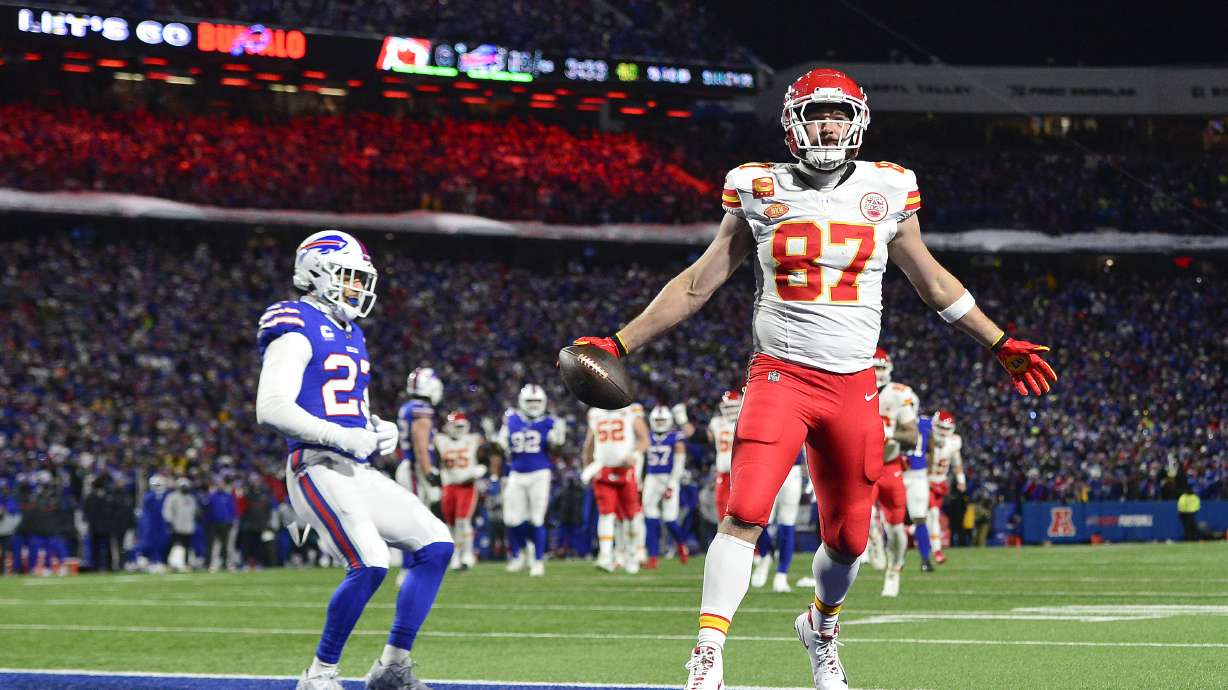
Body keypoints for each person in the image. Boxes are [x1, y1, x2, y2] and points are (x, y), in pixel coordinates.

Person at [571, 67, 1058, 690]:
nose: (826, 123)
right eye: (814, 112)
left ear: (856, 122)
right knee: (744, 509)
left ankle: (821, 627)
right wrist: (617, 341)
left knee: (851, 540)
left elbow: (932, 281)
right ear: (792, 123)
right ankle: (707, 652)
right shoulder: (756, 187)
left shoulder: (890, 188)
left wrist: (998, 339)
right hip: (780, 375)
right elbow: (699, 282)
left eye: (837, 113)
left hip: (853, 385)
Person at [256, 230, 453, 690]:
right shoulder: (295, 321)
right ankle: (320, 674)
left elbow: (346, 407)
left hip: (352, 466)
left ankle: (392, 667)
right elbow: (272, 406)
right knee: (370, 561)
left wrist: (377, 427)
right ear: (315, 272)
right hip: (314, 465)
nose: (357, 288)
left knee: (436, 544)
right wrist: (344, 437)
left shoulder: (352, 332)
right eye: (347, 276)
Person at [491, 383, 566, 576]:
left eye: (537, 401)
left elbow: (555, 453)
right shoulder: (511, 420)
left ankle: (537, 560)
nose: (533, 404)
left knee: (536, 519)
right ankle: (522, 552)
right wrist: (495, 440)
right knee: (512, 519)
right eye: (530, 401)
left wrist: (558, 441)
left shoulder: (550, 422)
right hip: (516, 473)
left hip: (540, 473)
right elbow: (500, 448)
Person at [581, 402, 648, 573]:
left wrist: (634, 455)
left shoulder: (630, 411)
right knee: (606, 514)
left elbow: (645, 439)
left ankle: (632, 554)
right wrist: (588, 465)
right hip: (603, 470)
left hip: (625, 471)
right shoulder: (595, 412)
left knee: (631, 516)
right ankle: (605, 556)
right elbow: (589, 443)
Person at [433, 410, 486, 570]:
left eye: (461, 425)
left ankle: (467, 554)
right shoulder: (439, 440)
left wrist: (482, 468)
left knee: (463, 521)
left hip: (467, 485)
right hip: (448, 485)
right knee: (450, 524)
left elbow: (487, 456)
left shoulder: (474, 439)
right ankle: (455, 556)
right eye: (455, 425)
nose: (458, 428)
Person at [642, 404, 692, 569]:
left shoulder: (676, 437)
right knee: (650, 518)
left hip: (669, 478)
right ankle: (653, 557)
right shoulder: (646, 436)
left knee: (670, 519)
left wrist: (671, 484)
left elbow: (679, 463)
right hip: (651, 477)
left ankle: (681, 543)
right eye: (657, 419)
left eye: (663, 419)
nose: (660, 422)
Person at [927, 410, 966, 562]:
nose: (943, 432)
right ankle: (937, 551)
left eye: (946, 428)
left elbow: (957, 461)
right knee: (933, 514)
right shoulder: (926, 438)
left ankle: (914, 533)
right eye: (941, 428)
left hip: (940, 482)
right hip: (924, 480)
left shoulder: (954, 441)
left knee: (930, 517)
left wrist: (961, 479)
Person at [162, 478, 199, 573]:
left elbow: (194, 511)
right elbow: (167, 510)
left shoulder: (191, 498)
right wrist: (169, 522)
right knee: (170, 545)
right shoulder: (172, 497)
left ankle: (186, 564)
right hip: (176, 526)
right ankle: (166, 563)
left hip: (188, 527)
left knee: (187, 546)